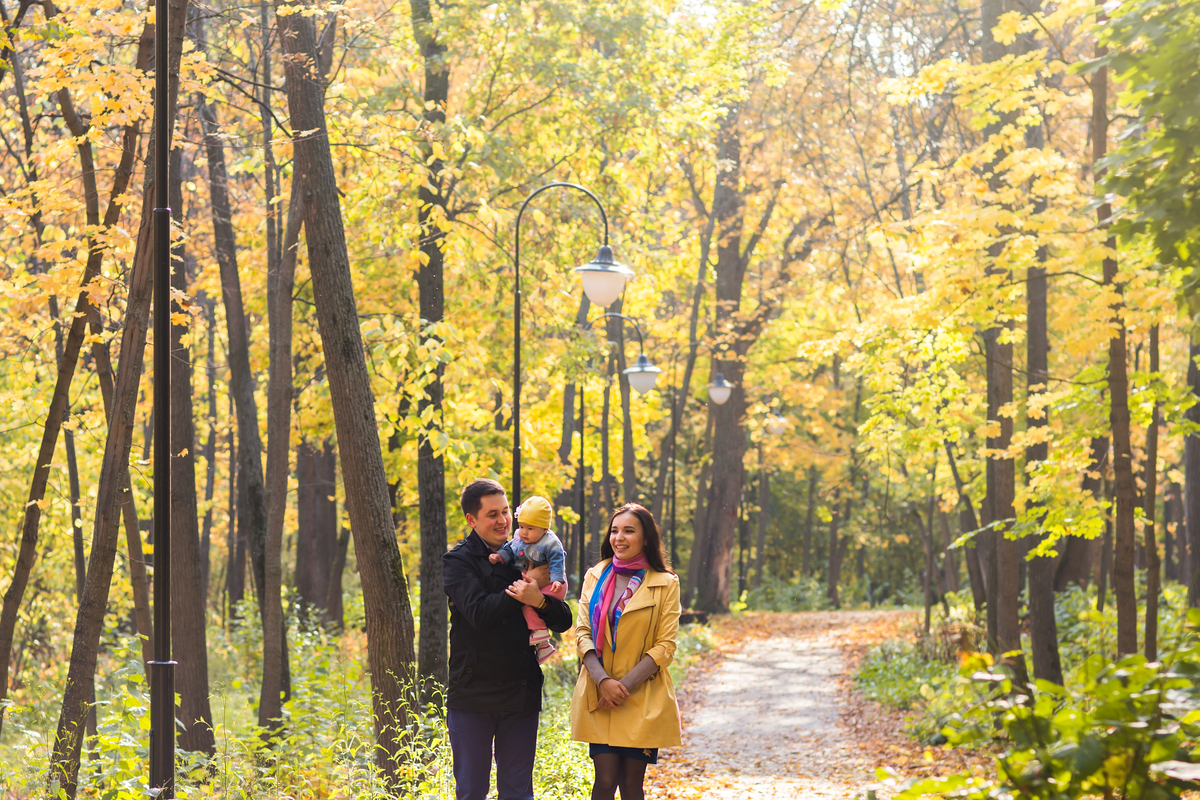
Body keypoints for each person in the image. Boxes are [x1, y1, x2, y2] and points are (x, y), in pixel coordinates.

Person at [443, 479, 573, 800]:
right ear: (472, 520)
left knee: (517, 793)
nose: (502, 521)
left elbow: (563, 619)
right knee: (472, 792)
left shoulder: (534, 550)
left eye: (505, 512)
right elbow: (478, 613)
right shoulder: (458, 561)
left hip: (520, 692)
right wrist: (522, 591)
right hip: (472, 694)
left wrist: (539, 599)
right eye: (492, 514)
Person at [571, 503, 681, 800]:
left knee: (631, 786)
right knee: (605, 781)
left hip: (641, 697)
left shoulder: (665, 583)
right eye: (614, 530)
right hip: (599, 694)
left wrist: (623, 686)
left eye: (628, 531)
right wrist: (603, 682)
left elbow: (665, 646)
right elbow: (582, 633)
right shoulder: (595, 575)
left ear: (645, 539)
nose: (618, 537)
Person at [488, 495, 568, 663]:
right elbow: (510, 549)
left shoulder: (551, 543)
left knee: (528, 604)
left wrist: (556, 580)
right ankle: (543, 644)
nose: (523, 532)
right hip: (534, 581)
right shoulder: (519, 537)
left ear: (545, 529)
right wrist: (500, 557)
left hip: (552, 582)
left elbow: (557, 561)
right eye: (521, 526)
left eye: (530, 528)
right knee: (526, 601)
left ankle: (540, 636)